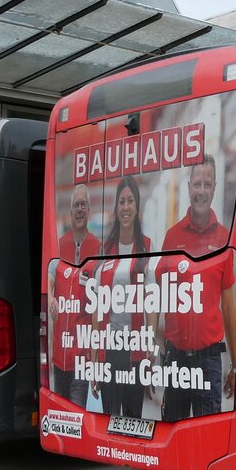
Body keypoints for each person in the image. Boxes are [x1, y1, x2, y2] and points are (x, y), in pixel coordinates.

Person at [154, 155, 236, 421]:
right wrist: (152, 349)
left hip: (209, 362)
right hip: (175, 360)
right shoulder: (172, 237)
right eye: (197, 184)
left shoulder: (224, 239)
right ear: (188, 186)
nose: (201, 191)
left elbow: (229, 307)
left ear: (214, 188)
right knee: (174, 435)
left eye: (207, 184)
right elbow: (158, 296)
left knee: (208, 436)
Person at [91, 175, 152, 417]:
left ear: (137, 206)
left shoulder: (147, 247)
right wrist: (94, 360)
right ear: (116, 208)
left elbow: (152, 303)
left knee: (133, 417)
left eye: (130, 201)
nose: (125, 207)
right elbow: (97, 307)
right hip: (110, 348)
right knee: (109, 417)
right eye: (121, 201)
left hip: (135, 348)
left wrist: (150, 351)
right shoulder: (105, 250)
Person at [47, 185, 101, 407]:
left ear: (89, 210)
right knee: (61, 414)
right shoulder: (59, 246)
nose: (79, 209)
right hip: (59, 359)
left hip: (82, 360)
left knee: (76, 416)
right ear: (70, 211)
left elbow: (98, 308)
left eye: (83, 205)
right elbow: (50, 277)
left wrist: (95, 361)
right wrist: (50, 297)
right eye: (76, 205)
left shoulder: (98, 248)